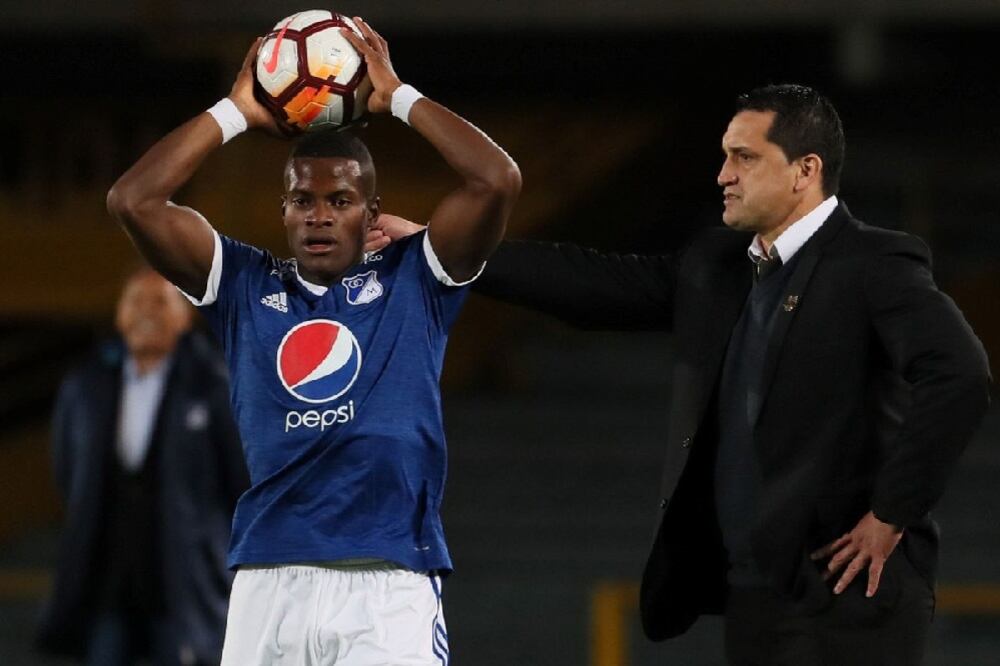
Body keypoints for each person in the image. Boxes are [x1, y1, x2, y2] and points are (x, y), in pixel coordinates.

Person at [368, 84, 990, 665]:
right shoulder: (718, 263)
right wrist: (441, 244)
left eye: (744, 158)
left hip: (848, 590)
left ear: (806, 170)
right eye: (725, 156)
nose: (723, 175)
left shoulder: (873, 261)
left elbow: (959, 372)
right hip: (754, 593)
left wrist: (891, 514)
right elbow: (594, 283)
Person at [105, 17, 520, 666]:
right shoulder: (242, 286)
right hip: (267, 581)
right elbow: (134, 200)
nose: (320, 214)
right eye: (304, 201)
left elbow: (496, 180)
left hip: (387, 583)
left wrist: (396, 97)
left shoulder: (417, 278)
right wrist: (235, 112)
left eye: (341, 199)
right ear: (284, 212)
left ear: (371, 211)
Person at [36, 268, 249, 665]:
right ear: (119, 315)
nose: (147, 312)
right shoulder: (85, 386)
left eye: (160, 302)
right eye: (136, 301)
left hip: (186, 583)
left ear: (185, 317)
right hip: (108, 581)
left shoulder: (215, 384)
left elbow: (240, 480)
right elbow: (67, 473)